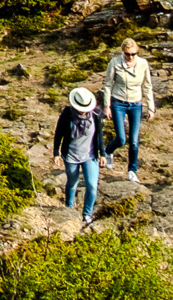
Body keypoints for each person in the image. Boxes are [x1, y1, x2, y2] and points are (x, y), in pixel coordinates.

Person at [102, 37, 156, 183]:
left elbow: (147, 86)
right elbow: (107, 85)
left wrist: (151, 107)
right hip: (118, 102)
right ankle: (108, 151)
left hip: (136, 103)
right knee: (121, 139)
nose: (130, 57)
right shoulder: (114, 63)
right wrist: (107, 106)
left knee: (134, 141)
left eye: (133, 53)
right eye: (128, 54)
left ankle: (132, 171)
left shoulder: (143, 64)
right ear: (123, 52)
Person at [52, 86, 103, 224]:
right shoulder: (67, 114)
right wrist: (56, 153)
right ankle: (69, 207)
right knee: (73, 182)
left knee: (92, 185)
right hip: (71, 155)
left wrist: (103, 154)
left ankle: (87, 213)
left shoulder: (96, 114)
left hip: (90, 155)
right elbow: (59, 134)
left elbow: (99, 135)